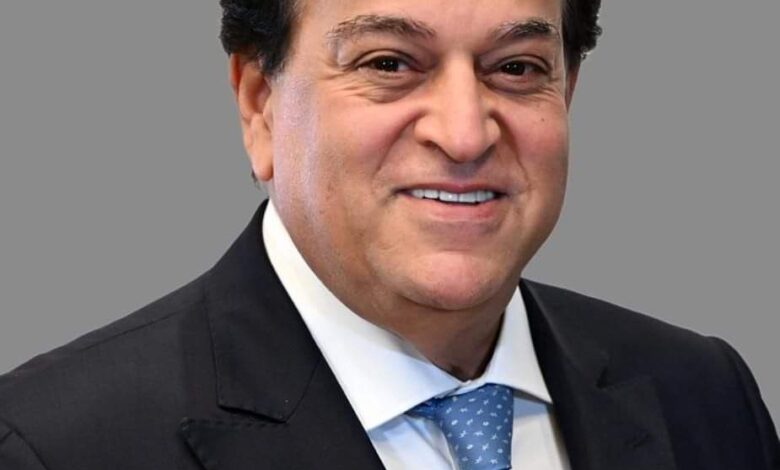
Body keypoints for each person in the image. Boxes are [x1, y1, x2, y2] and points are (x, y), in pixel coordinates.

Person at [0, 0, 777, 468]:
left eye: (516, 68)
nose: (465, 133)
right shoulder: (54, 446)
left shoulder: (704, 396)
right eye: (390, 62)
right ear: (259, 103)